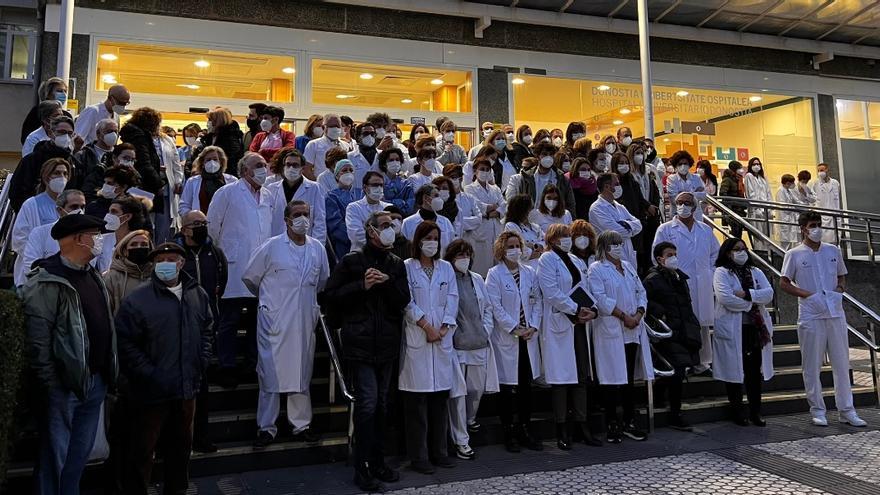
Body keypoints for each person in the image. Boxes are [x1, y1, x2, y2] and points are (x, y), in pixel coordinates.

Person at [21, 214, 117, 494]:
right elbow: (38, 340)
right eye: (95, 234)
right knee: (56, 458)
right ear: (77, 239)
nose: (100, 240)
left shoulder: (92, 275)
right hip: (63, 387)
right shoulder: (46, 281)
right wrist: (51, 384)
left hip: (94, 382)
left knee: (78, 456)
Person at [114, 242, 212, 495]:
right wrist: (150, 375)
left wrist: (201, 361)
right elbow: (125, 344)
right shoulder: (137, 299)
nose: (166, 264)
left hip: (186, 389)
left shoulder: (196, 293)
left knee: (180, 451)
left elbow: (207, 329)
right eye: (160, 260)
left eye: (172, 258)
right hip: (149, 393)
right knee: (141, 452)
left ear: (182, 263)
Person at [322, 210, 409, 491]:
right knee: (368, 404)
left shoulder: (396, 263)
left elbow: (402, 300)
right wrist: (362, 285)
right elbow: (329, 297)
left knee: (383, 405)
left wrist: (386, 284)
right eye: (384, 226)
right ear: (370, 230)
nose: (389, 229)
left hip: (386, 344)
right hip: (359, 345)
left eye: (392, 225)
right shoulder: (351, 261)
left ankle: (379, 461)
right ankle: (362, 467)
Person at [243, 200, 330, 448]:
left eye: (306, 214)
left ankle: (300, 425)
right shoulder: (271, 247)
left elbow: (322, 280)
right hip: (274, 320)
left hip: (303, 320)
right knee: (269, 374)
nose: (303, 218)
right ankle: (266, 428)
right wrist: (271, 304)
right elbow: (250, 278)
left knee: (302, 373)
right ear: (287, 219)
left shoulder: (317, 249)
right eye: (297, 214)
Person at [780, 211, 866, 427]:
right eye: (812, 225)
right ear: (803, 229)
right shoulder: (795, 254)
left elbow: (841, 275)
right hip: (811, 314)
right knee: (812, 364)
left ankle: (847, 410)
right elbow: (784, 282)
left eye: (819, 224)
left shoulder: (833, 250)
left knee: (841, 362)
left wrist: (839, 290)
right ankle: (817, 409)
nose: (817, 229)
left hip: (835, 312)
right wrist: (808, 295)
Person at [207, 152, 273, 388]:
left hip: (260, 268)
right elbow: (213, 227)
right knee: (230, 320)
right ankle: (226, 366)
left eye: (265, 165)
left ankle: (251, 364)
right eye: (258, 165)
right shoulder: (227, 192)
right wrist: (222, 254)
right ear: (245, 170)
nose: (263, 169)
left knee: (257, 320)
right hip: (233, 266)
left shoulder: (268, 195)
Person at [400, 221, 459, 473]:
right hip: (418, 338)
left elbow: (453, 299)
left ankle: (440, 451)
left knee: (439, 401)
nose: (432, 242)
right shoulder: (407, 268)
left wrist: (444, 328)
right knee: (417, 404)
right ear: (418, 240)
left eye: (436, 237)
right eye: (428, 237)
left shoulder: (446, 268)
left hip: (441, 340)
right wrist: (426, 326)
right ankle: (419, 457)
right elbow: (406, 302)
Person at [538, 224, 600, 450]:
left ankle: (582, 425)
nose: (566, 239)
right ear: (552, 239)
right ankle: (562, 429)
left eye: (568, 236)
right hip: (561, 321)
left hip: (579, 323)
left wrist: (592, 308)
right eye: (562, 236)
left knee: (582, 374)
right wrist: (575, 309)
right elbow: (551, 292)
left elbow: (584, 286)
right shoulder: (546, 260)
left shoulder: (574, 259)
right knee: (562, 379)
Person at [588, 230, 653, 443]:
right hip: (612, 329)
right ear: (604, 247)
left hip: (632, 329)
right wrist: (624, 316)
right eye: (613, 244)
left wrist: (638, 314)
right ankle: (612, 423)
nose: (617, 247)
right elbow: (600, 298)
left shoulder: (628, 267)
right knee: (610, 379)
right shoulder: (596, 269)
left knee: (628, 380)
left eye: (619, 243)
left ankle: (629, 421)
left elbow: (640, 292)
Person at [173, 210, 227, 453]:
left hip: (204, 329)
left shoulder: (214, 252)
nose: (202, 227)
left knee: (202, 390)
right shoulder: (173, 253)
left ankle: (201, 437)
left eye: (205, 222)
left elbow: (221, 280)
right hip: (177, 329)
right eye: (197, 223)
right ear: (184, 228)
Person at [485, 231, 543, 452]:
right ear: (502, 248)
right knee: (508, 389)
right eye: (510, 246)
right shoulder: (494, 274)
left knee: (526, 388)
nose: (515, 250)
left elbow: (537, 301)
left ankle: (525, 428)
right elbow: (495, 306)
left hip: (528, 336)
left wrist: (533, 326)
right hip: (508, 337)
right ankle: (509, 431)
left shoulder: (529, 273)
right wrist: (514, 328)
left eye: (517, 245)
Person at [653, 192, 720, 376]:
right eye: (680, 203)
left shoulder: (705, 230)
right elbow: (656, 256)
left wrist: (711, 272)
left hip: (703, 282)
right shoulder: (666, 229)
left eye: (687, 203)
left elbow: (716, 254)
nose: (683, 206)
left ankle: (704, 362)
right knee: (683, 323)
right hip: (677, 283)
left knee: (703, 324)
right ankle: (686, 362)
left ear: (695, 206)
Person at [444, 239, 499, 460]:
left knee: (476, 390)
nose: (463, 259)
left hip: (478, 342)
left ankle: (469, 419)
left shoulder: (477, 279)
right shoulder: (447, 280)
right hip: (457, 345)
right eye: (459, 254)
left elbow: (487, 308)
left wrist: (485, 331)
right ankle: (461, 441)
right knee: (458, 395)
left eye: (467, 254)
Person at [713, 237, 775, 427]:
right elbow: (726, 299)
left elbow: (769, 294)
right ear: (727, 253)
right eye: (736, 249)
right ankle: (738, 410)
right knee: (734, 371)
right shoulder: (721, 273)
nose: (741, 253)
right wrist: (751, 303)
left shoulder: (755, 271)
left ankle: (756, 411)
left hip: (755, 329)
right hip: (733, 328)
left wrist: (748, 294)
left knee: (753, 372)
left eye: (743, 249)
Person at [643, 241, 702, 430]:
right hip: (668, 331)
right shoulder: (653, 279)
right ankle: (675, 413)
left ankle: (663, 396)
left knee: (680, 369)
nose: (673, 258)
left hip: (684, 328)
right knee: (677, 370)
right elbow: (644, 300)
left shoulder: (679, 277)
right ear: (660, 259)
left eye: (675, 254)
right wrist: (661, 313)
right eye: (669, 255)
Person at [12, 158, 69, 286]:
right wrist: (38, 262)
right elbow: (19, 238)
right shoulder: (31, 204)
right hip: (37, 272)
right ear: (46, 177)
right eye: (57, 173)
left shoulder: (71, 204)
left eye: (65, 174)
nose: (62, 177)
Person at [10, 114, 76, 212]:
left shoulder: (73, 162)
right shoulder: (32, 160)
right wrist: (31, 212)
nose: (66, 136)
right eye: (61, 132)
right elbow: (17, 191)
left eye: (69, 133)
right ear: (51, 133)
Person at [20, 190, 85, 287]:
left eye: (83, 207)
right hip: (46, 290)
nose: (80, 211)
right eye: (74, 207)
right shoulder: (39, 233)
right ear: (60, 210)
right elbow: (31, 266)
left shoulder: (88, 236)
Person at [262, 147, 326, 242]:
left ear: (302, 168)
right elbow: (266, 219)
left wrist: (317, 245)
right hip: (277, 241)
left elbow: (320, 221)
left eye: (295, 165)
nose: (291, 168)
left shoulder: (315, 188)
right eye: (288, 165)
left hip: (304, 242)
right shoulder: (271, 189)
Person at [589, 173, 642, 269]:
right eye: (616, 184)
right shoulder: (596, 208)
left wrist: (625, 224)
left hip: (628, 254)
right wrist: (630, 226)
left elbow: (639, 225)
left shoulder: (619, 206)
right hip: (609, 258)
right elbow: (615, 232)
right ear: (607, 186)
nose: (619, 187)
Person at [506, 142, 574, 214]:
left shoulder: (561, 178)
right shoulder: (526, 178)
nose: (548, 157)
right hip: (532, 218)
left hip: (554, 218)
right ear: (537, 156)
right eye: (544, 154)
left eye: (551, 154)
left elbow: (570, 204)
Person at [94, 195, 154, 273]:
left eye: (114, 212)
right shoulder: (99, 240)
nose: (108, 215)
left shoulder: (141, 242)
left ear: (127, 216)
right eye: (109, 211)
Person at [103, 229, 153, 315]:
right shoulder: (111, 277)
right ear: (125, 250)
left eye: (144, 244)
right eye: (134, 244)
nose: (139, 247)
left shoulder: (157, 275)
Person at [179, 145, 237, 216]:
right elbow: (184, 205)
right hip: (200, 224)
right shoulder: (192, 182)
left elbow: (238, 204)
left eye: (215, 159)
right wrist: (192, 217)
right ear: (203, 163)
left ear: (221, 162)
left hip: (226, 224)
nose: (212, 162)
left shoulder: (232, 181)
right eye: (208, 160)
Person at [401, 184, 456, 256]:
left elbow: (451, 247)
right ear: (426, 198)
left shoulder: (446, 222)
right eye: (436, 196)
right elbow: (404, 248)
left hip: (441, 265)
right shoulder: (408, 223)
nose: (440, 199)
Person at [345, 171, 392, 253]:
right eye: (375, 185)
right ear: (365, 187)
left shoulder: (389, 207)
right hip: (361, 254)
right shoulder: (354, 207)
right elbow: (356, 235)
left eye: (381, 185)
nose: (379, 188)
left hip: (386, 255)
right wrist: (381, 242)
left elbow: (393, 232)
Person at [326, 159, 364, 258]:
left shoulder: (362, 193)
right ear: (337, 175)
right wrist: (354, 238)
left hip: (365, 242)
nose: (348, 172)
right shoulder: (331, 196)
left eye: (351, 170)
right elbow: (335, 224)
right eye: (344, 170)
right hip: (344, 244)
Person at [73, 118, 119, 192]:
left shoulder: (120, 154)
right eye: (109, 131)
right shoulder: (83, 155)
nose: (113, 134)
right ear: (98, 133)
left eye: (115, 132)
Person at [21, 77, 70, 144]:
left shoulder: (67, 115)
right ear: (48, 94)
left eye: (65, 91)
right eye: (59, 91)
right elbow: (26, 137)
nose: (64, 94)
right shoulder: (37, 112)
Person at [304, 113, 352, 179]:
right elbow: (306, 169)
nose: (335, 128)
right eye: (331, 126)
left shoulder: (346, 145)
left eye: (337, 126)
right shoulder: (313, 144)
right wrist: (318, 185)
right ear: (323, 127)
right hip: (321, 185)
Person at [197, 106, 244, 173]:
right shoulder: (211, 137)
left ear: (218, 121)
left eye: (210, 120)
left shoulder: (231, 139)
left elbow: (231, 160)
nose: (208, 123)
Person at [504, 193, 544, 268]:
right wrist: (534, 252)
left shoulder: (535, 227)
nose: (533, 211)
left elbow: (546, 242)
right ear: (523, 210)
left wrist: (535, 246)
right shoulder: (511, 226)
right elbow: (521, 250)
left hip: (540, 266)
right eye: (531, 209)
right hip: (524, 267)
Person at [665, 150, 706, 222]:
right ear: (675, 165)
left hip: (695, 216)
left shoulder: (696, 177)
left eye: (685, 163)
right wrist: (694, 193)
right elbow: (674, 199)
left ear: (689, 164)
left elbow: (703, 196)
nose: (683, 166)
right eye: (680, 164)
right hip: (677, 216)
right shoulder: (671, 179)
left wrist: (682, 193)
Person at [743, 157, 773, 253]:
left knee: (767, 234)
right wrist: (757, 208)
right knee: (758, 235)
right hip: (756, 210)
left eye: (758, 164)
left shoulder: (763, 178)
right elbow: (751, 194)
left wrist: (769, 208)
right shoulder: (748, 176)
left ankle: (767, 254)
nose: (756, 166)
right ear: (750, 166)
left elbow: (768, 192)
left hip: (766, 210)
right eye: (754, 164)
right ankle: (760, 254)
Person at [379, 147, 415, 215]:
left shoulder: (406, 183)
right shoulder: (379, 182)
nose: (395, 162)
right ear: (384, 164)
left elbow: (409, 207)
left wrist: (391, 202)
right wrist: (400, 202)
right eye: (391, 160)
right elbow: (380, 204)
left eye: (397, 160)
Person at [813, 163, 841, 243]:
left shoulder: (835, 183)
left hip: (835, 216)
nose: (820, 172)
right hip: (822, 216)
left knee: (836, 240)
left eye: (821, 170)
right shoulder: (816, 183)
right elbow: (812, 198)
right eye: (818, 171)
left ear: (827, 170)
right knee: (823, 241)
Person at [718, 160, 748, 238]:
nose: (741, 170)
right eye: (739, 168)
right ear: (734, 169)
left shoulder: (739, 179)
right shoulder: (728, 179)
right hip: (731, 210)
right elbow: (723, 193)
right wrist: (728, 208)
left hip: (739, 210)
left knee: (738, 231)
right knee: (734, 232)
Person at [348, 122, 380, 187]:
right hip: (358, 195)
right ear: (358, 136)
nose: (369, 136)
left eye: (372, 134)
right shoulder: (350, 157)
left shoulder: (383, 155)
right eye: (366, 134)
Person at [776, 174, 802, 250]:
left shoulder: (788, 191)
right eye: (791, 183)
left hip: (789, 220)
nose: (793, 185)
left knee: (789, 244)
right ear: (787, 183)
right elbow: (783, 206)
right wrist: (794, 208)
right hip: (784, 220)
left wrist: (805, 206)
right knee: (784, 245)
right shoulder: (780, 191)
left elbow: (796, 201)